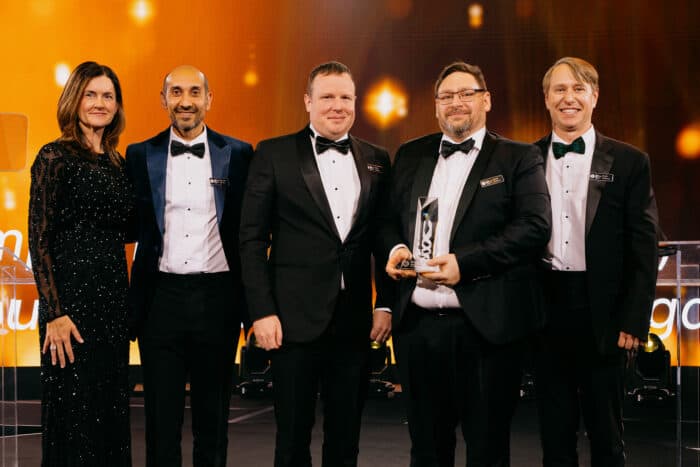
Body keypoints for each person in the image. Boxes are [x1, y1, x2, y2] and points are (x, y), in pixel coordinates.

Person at [380, 61, 551, 466]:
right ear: (436, 106)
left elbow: (534, 227)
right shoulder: (410, 154)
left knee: (488, 450)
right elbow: (387, 221)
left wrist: (466, 264)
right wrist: (396, 249)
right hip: (418, 330)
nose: (456, 103)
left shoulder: (518, 157)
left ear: (486, 100)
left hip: (485, 331)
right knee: (426, 449)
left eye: (466, 94)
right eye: (446, 96)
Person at [239, 61, 392, 467]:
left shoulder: (377, 159)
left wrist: (385, 303)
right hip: (290, 322)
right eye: (327, 97)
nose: (337, 106)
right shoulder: (273, 154)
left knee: (346, 439)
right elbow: (251, 239)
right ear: (308, 102)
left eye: (345, 97)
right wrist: (262, 312)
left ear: (355, 103)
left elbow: (384, 237)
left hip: (355, 322)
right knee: (292, 439)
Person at [125, 65, 253, 467]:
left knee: (213, 420)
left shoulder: (240, 154)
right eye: (176, 92)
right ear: (163, 100)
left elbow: (249, 232)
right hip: (159, 300)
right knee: (160, 422)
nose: (185, 100)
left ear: (209, 99)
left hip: (218, 299)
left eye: (194, 92)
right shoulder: (138, 154)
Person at [533, 57, 658, 467]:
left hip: (604, 315)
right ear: (547, 98)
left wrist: (635, 318)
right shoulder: (525, 160)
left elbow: (643, 246)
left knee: (607, 435)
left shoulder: (629, 162)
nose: (569, 98)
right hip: (544, 311)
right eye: (559, 89)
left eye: (578, 89)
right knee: (554, 436)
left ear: (595, 96)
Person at [28, 61, 133, 466]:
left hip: (111, 306)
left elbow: (124, 230)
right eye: (91, 94)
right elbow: (38, 237)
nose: (100, 103)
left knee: (109, 414)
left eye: (108, 95)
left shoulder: (117, 162)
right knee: (74, 420)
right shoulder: (54, 157)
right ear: (74, 99)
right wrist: (54, 312)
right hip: (69, 311)